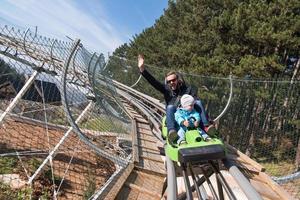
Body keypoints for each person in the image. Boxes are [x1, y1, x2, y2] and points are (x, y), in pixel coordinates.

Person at [137, 54, 212, 144]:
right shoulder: (166, 90)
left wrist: (206, 117)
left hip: (190, 114)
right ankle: (172, 132)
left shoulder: (187, 89)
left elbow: (195, 100)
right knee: (170, 107)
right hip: (177, 115)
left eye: (173, 80)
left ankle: (206, 127)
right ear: (167, 82)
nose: (172, 82)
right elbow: (154, 82)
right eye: (169, 81)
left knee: (198, 102)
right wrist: (142, 69)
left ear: (177, 79)